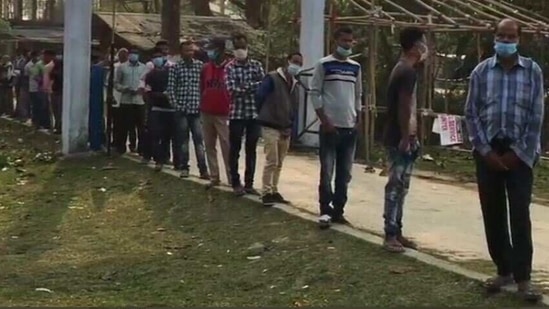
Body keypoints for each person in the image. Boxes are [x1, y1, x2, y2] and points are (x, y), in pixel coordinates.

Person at [464, 18, 543, 302]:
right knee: (493, 212)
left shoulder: (532, 71)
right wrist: (485, 151)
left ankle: (524, 279)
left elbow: (536, 116)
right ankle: (503, 270)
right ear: (493, 37)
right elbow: (471, 114)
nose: (505, 41)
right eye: (501, 35)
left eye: (511, 37)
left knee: (519, 214)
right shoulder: (481, 72)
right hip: (488, 153)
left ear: (519, 39)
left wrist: (518, 153)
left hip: (520, 155)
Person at [310, 26, 362, 229]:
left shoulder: (355, 67)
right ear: (335, 41)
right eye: (344, 41)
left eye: (350, 41)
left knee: (345, 172)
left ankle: (339, 210)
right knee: (327, 170)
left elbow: (358, 94)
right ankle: (325, 209)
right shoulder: (324, 65)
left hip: (349, 127)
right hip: (330, 127)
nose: (347, 44)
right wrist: (324, 119)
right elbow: (315, 92)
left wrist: (358, 117)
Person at [381, 27, 427, 253]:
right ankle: (390, 232)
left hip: (404, 136)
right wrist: (405, 137)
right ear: (416, 45)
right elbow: (404, 106)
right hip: (399, 137)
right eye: (424, 43)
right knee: (395, 185)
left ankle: (397, 230)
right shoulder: (406, 71)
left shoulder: (404, 69)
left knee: (402, 187)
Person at [255, 52, 303, 206]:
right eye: (295, 62)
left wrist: (291, 126)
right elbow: (259, 96)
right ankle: (266, 192)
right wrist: (265, 113)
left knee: (280, 162)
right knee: (271, 160)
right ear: (287, 61)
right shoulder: (272, 78)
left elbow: (294, 107)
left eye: (299, 64)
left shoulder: (295, 83)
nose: (297, 66)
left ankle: (274, 190)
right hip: (270, 125)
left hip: (285, 127)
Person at [225, 33, 265, 196]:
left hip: (254, 114)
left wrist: (244, 87)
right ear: (233, 49)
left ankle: (249, 184)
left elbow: (263, 86)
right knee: (234, 149)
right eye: (237, 48)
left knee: (251, 149)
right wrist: (251, 87)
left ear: (247, 47)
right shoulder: (229, 67)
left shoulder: (256, 65)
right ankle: (235, 182)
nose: (240, 50)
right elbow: (231, 91)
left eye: (243, 47)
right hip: (236, 114)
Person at [166, 40, 209, 179]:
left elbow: (204, 87)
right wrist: (176, 105)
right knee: (183, 141)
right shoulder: (175, 68)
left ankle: (203, 170)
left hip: (196, 110)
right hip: (182, 110)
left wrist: (202, 105)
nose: (190, 53)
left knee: (199, 141)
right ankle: (185, 167)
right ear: (181, 52)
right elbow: (171, 89)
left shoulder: (200, 66)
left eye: (191, 50)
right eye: (187, 50)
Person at [200, 37, 232, 188]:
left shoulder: (230, 67)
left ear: (221, 50)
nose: (209, 52)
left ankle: (232, 177)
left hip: (224, 113)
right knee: (209, 145)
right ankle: (214, 176)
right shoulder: (206, 68)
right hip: (207, 111)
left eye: (212, 49)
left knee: (226, 145)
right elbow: (202, 87)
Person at [144, 47, 175, 171]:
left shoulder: (172, 72)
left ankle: (165, 158)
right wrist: (160, 95)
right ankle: (158, 160)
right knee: (156, 135)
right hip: (156, 108)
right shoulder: (150, 75)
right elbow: (148, 92)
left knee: (167, 137)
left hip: (170, 109)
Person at [114, 48, 147, 155]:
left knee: (141, 127)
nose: (134, 56)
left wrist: (142, 89)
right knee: (123, 126)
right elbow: (116, 83)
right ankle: (121, 148)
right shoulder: (122, 67)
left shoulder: (144, 67)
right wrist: (124, 88)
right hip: (126, 100)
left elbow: (146, 82)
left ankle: (141, 149)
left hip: (139, 101)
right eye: (132, 54)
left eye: (136, 54)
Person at [25, 51, 50, 130]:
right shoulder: (29, 65)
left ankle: (44, 123)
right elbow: (30, 76)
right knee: (36, 106)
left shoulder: (42, 65)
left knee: (43, 106)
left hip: (41, 89)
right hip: (33, 88)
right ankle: (36, 122)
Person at [14, 50, 31, 121]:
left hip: (26, 84)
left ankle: (25, 116)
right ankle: (19, 113)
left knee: (24, 100)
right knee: (20, 99)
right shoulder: (24, 62)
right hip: (20, 82)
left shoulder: (26, 63)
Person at [49, 54, 63, 134]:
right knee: (55, 110)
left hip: (60, 92)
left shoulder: (62, 71)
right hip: (55, 91)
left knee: (59, 111)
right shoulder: (54, 69)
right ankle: (57, 126)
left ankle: (59, 127)